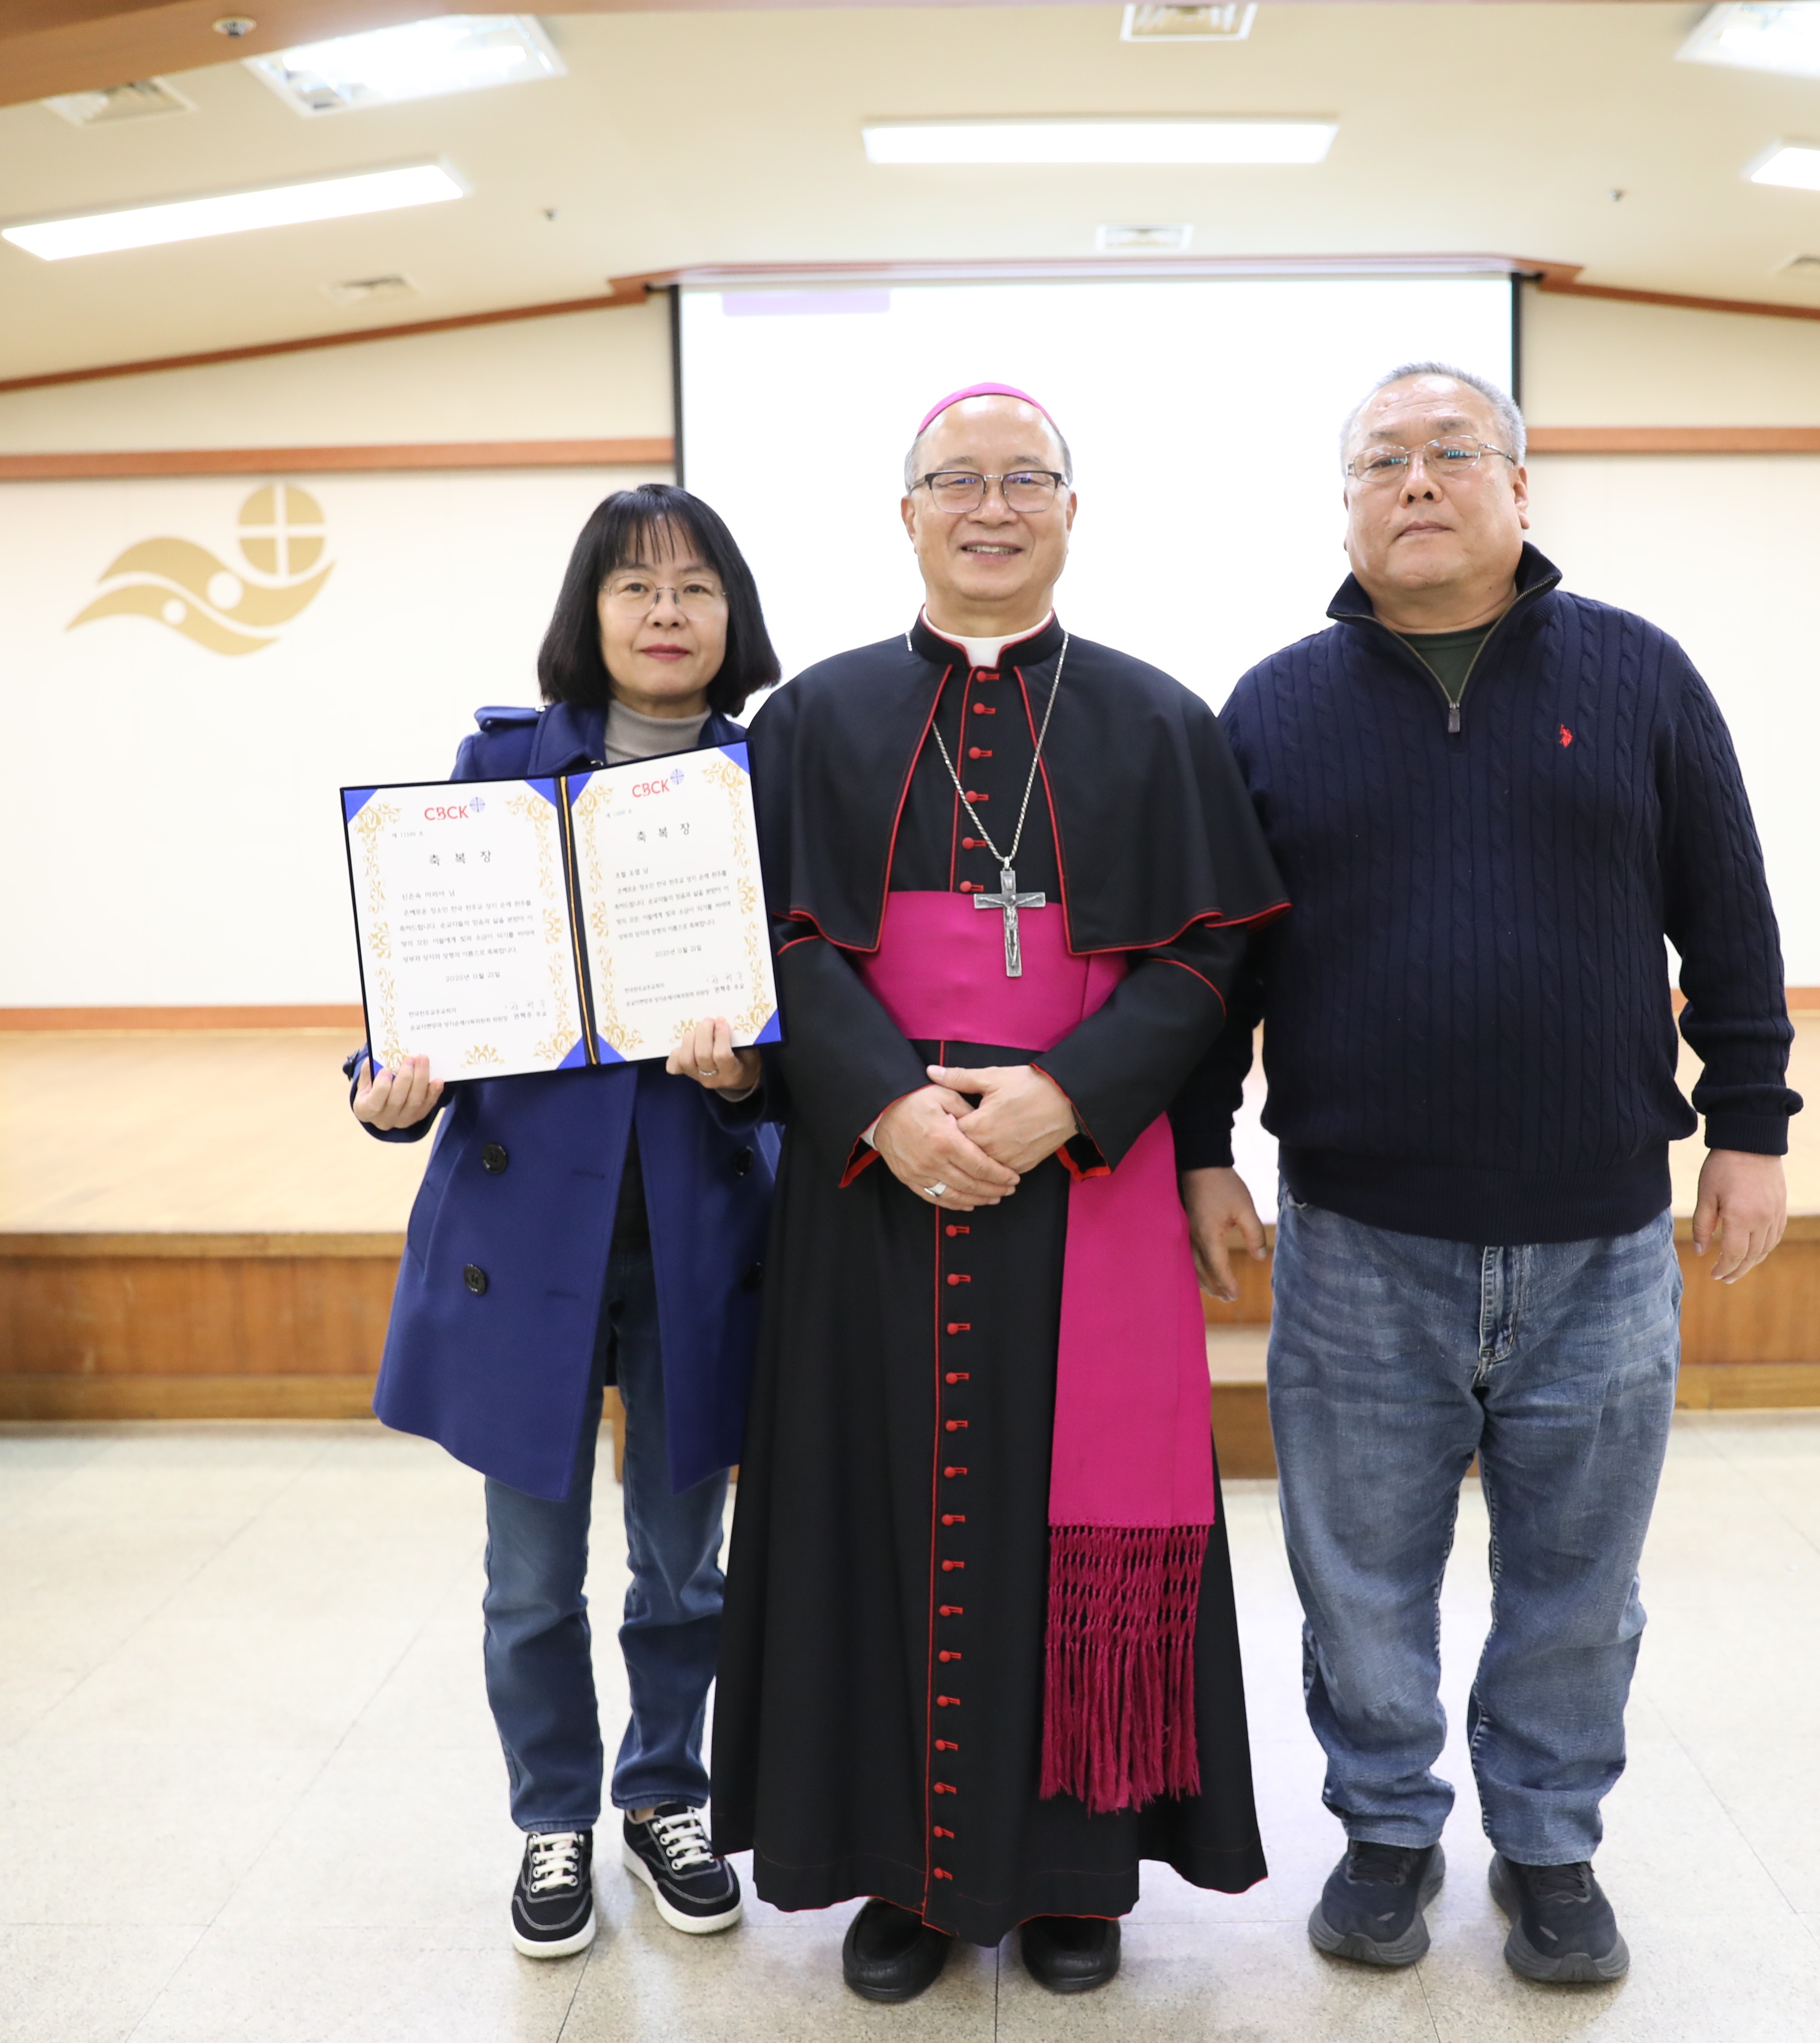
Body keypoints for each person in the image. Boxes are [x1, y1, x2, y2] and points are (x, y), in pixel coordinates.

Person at [1173, 362, 1799, 1985]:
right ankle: (1388, 1831)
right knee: (1356, 1577)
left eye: (1456, 450)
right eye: (1384, 459)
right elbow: (1217, 971)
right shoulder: (1275, 705)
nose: (1420, 480)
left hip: (1598, 1233)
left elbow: (1727, 914)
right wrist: (1194, 1152)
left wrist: (1753, 1126)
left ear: (1524, 489)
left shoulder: (1641, 676)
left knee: (1579, 1586)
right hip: (1358, 1239)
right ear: (1350, 507)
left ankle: (1549, 1847)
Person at [707, 384, 1289, 2002]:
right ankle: (904, 1875)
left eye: (1024, 478)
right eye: (955, 480)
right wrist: (887, 1105)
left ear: (1070, 512)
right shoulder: (812, 721)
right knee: (871, 1507)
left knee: (1067, 1518)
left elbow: (1208, 950)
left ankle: (1074, 1873)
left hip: (1077, 1182)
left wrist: (1068, 1099)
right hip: (872, 1180)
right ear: (906, 515)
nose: (990, 505)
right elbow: (780, 940)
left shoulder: (1158, 720)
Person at [346, 483, 782, 1961]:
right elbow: (422, 991)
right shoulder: (497, 765)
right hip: (525, 1236)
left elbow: (806, 1028)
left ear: (735, 619)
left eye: (696, 587)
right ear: (587, 616)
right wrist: (385, 1087)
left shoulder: (766, 785)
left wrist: (749, 1080)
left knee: (683, 1565)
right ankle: (553, 1816)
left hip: (696, 1227)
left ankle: (667, 1792)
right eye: (634, 587)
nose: (666, 613)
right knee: (528, 1579)